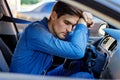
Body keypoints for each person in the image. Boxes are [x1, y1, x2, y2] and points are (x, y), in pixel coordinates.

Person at [10, 1, 94, 79]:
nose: (69, 29)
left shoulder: (55, 30)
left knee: (77, 65)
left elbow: (80, 42)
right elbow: (77, 51)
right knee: (84, 77)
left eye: (73, 26)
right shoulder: (36, 32)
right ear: (54, 16)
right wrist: (81, 26)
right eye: (67, 23)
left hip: (41, 76)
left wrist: (85, 25)